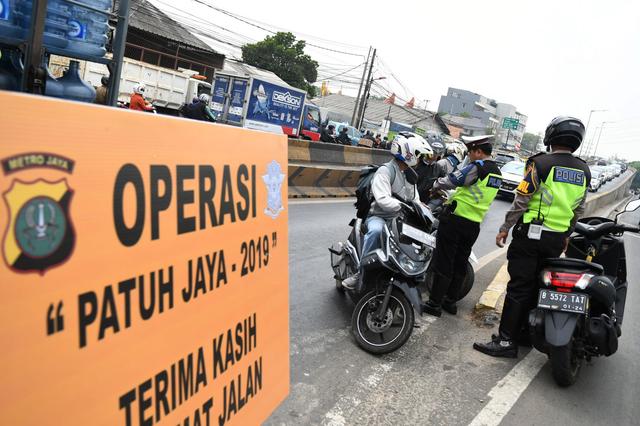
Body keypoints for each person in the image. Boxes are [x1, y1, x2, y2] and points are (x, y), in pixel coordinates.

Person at [473, 117, 591, 358]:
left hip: (531, 236)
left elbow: (522, 199)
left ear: (551, 136)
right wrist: (567, 233)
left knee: (519, 287)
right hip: (557, 238)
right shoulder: (584, 170)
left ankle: (506, 342)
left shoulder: (540, 163)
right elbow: (579, 209)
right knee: (540, 285)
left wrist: (505, 227)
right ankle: (526, 335)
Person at [422, 135, 503, 316]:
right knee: (460, 263)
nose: (470, 156)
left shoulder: (477, 167)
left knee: (445, 261)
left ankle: (434, 304)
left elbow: (453, 180)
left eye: (471, 152)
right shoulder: (497, 173)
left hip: (455, 221)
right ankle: (450, 303)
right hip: (473, 224)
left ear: (479, 152)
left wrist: (436, 184)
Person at [342, 133, 432, 289]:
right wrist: (402, 206)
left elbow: (414, 198)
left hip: (400, 220)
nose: (418, 159)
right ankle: (360, 273)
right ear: (407, 152)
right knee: (376, 231)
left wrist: (421, 207)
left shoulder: (411, 175)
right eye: (417, 154)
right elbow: (382, 199)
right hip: (379, 216)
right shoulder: (386, 171)